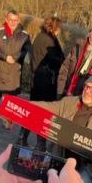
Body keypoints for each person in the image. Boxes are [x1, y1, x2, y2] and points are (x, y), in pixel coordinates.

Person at [18, 16, 65, 150]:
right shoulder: (49, 40)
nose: (60, 31)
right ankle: (40, 143)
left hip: (38, 79)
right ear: (54, 27)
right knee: (43, 112)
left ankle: (23, 137)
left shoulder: (41, 37)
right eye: (59, 28)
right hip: (45, 81)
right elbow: (57, 60)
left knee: (34, 110)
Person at [0, 10, 30, 129]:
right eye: (11, 20)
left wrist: (15, 58)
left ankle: (7, 120)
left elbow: (25, 51)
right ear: (6, 19)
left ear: (18, 21)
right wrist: (6, 57)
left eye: (15, 20)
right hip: (0, 69)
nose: (13, 22)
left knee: (10, 99)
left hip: (14, 71)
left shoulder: (24, 35)